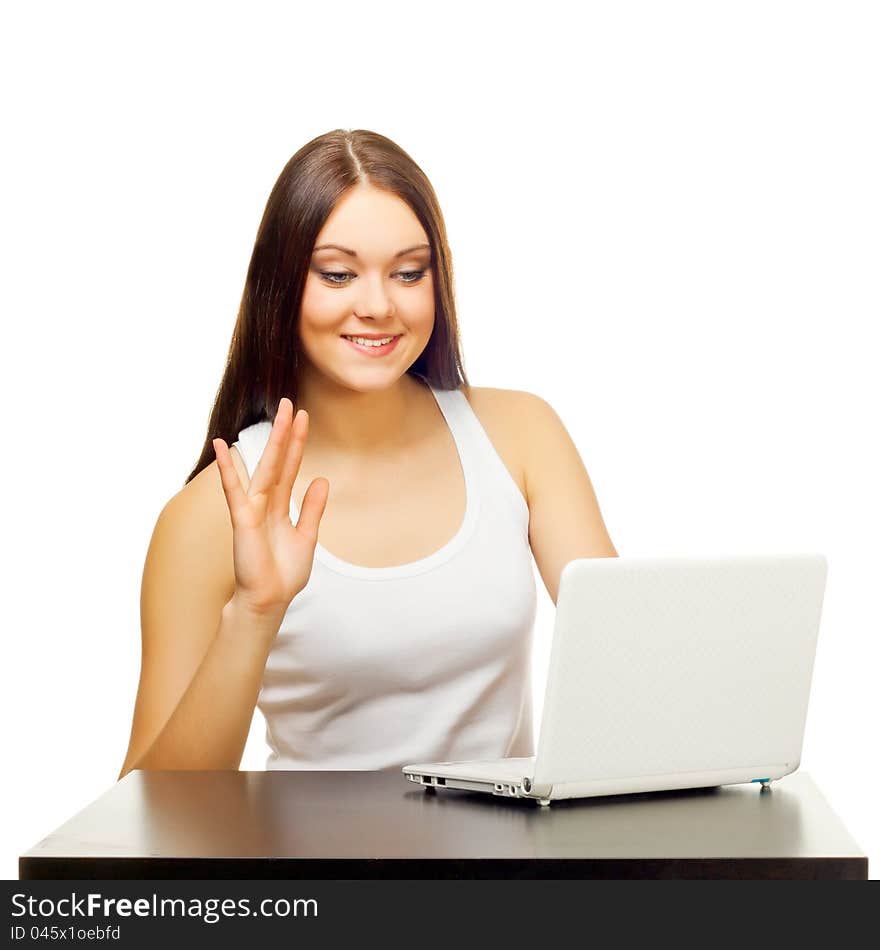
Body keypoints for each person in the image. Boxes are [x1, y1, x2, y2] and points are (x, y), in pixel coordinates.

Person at [118, 129, 617, 780]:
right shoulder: (210, 513)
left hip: (505, 873)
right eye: (338, 274)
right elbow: (147, 818)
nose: (378, 305)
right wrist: (255, 613)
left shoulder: (522, 434)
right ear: (282, 286)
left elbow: (622, 657)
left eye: (409, 273)